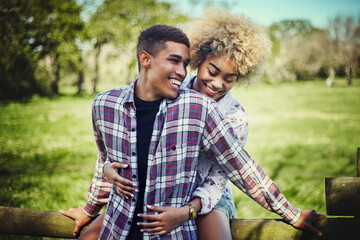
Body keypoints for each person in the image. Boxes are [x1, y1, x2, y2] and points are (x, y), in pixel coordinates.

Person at [62, 16, 324, 240]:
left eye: (229, 79)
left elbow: (234, 170)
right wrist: (96, 195)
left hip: (208, 192)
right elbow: (118, 148)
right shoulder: (168, 90)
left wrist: (188, 210)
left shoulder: (230, 116)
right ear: (199, 61)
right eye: (212, 70)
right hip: (159, 185)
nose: (217, 83)